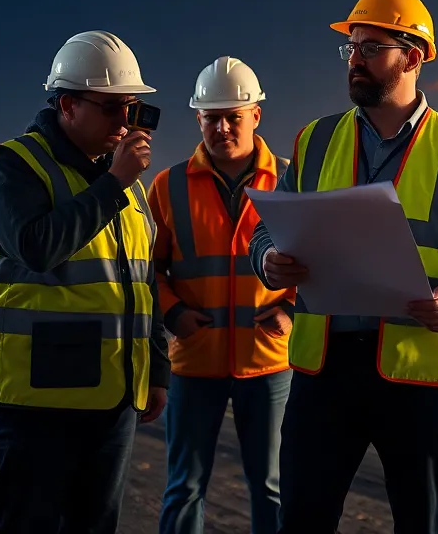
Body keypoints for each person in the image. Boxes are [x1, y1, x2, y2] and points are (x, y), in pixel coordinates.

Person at [249, 0, 438, 534]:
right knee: (301, 520)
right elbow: (265, 230)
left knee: (420, 523)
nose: (356, 59)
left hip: (418, 371)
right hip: (324, 368)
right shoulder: (314, 141)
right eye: (351, 47)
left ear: (413, 58)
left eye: (372, 48)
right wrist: (269, 258)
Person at [0, 30, 169, 533]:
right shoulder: (15, 165)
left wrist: (157, 368)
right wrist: (112, 185)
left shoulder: (125, 182)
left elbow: (141, 279)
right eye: (112, 107)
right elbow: (37, 248)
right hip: (41, 397)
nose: (125, 122)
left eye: (132, 108)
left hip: (113, 393)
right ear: (67, 105)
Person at [147, 55, 294, 534]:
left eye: (234, 116)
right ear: (198, 119)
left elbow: (320, 263)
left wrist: (292, 311)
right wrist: (173, 314)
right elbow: (148, 270)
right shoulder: (168, 186)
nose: (223, 127)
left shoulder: (291, 181)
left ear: (256, 115)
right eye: (212, 117)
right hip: (194, 360)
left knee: (272, 487)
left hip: (268, 361)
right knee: (184, 486)